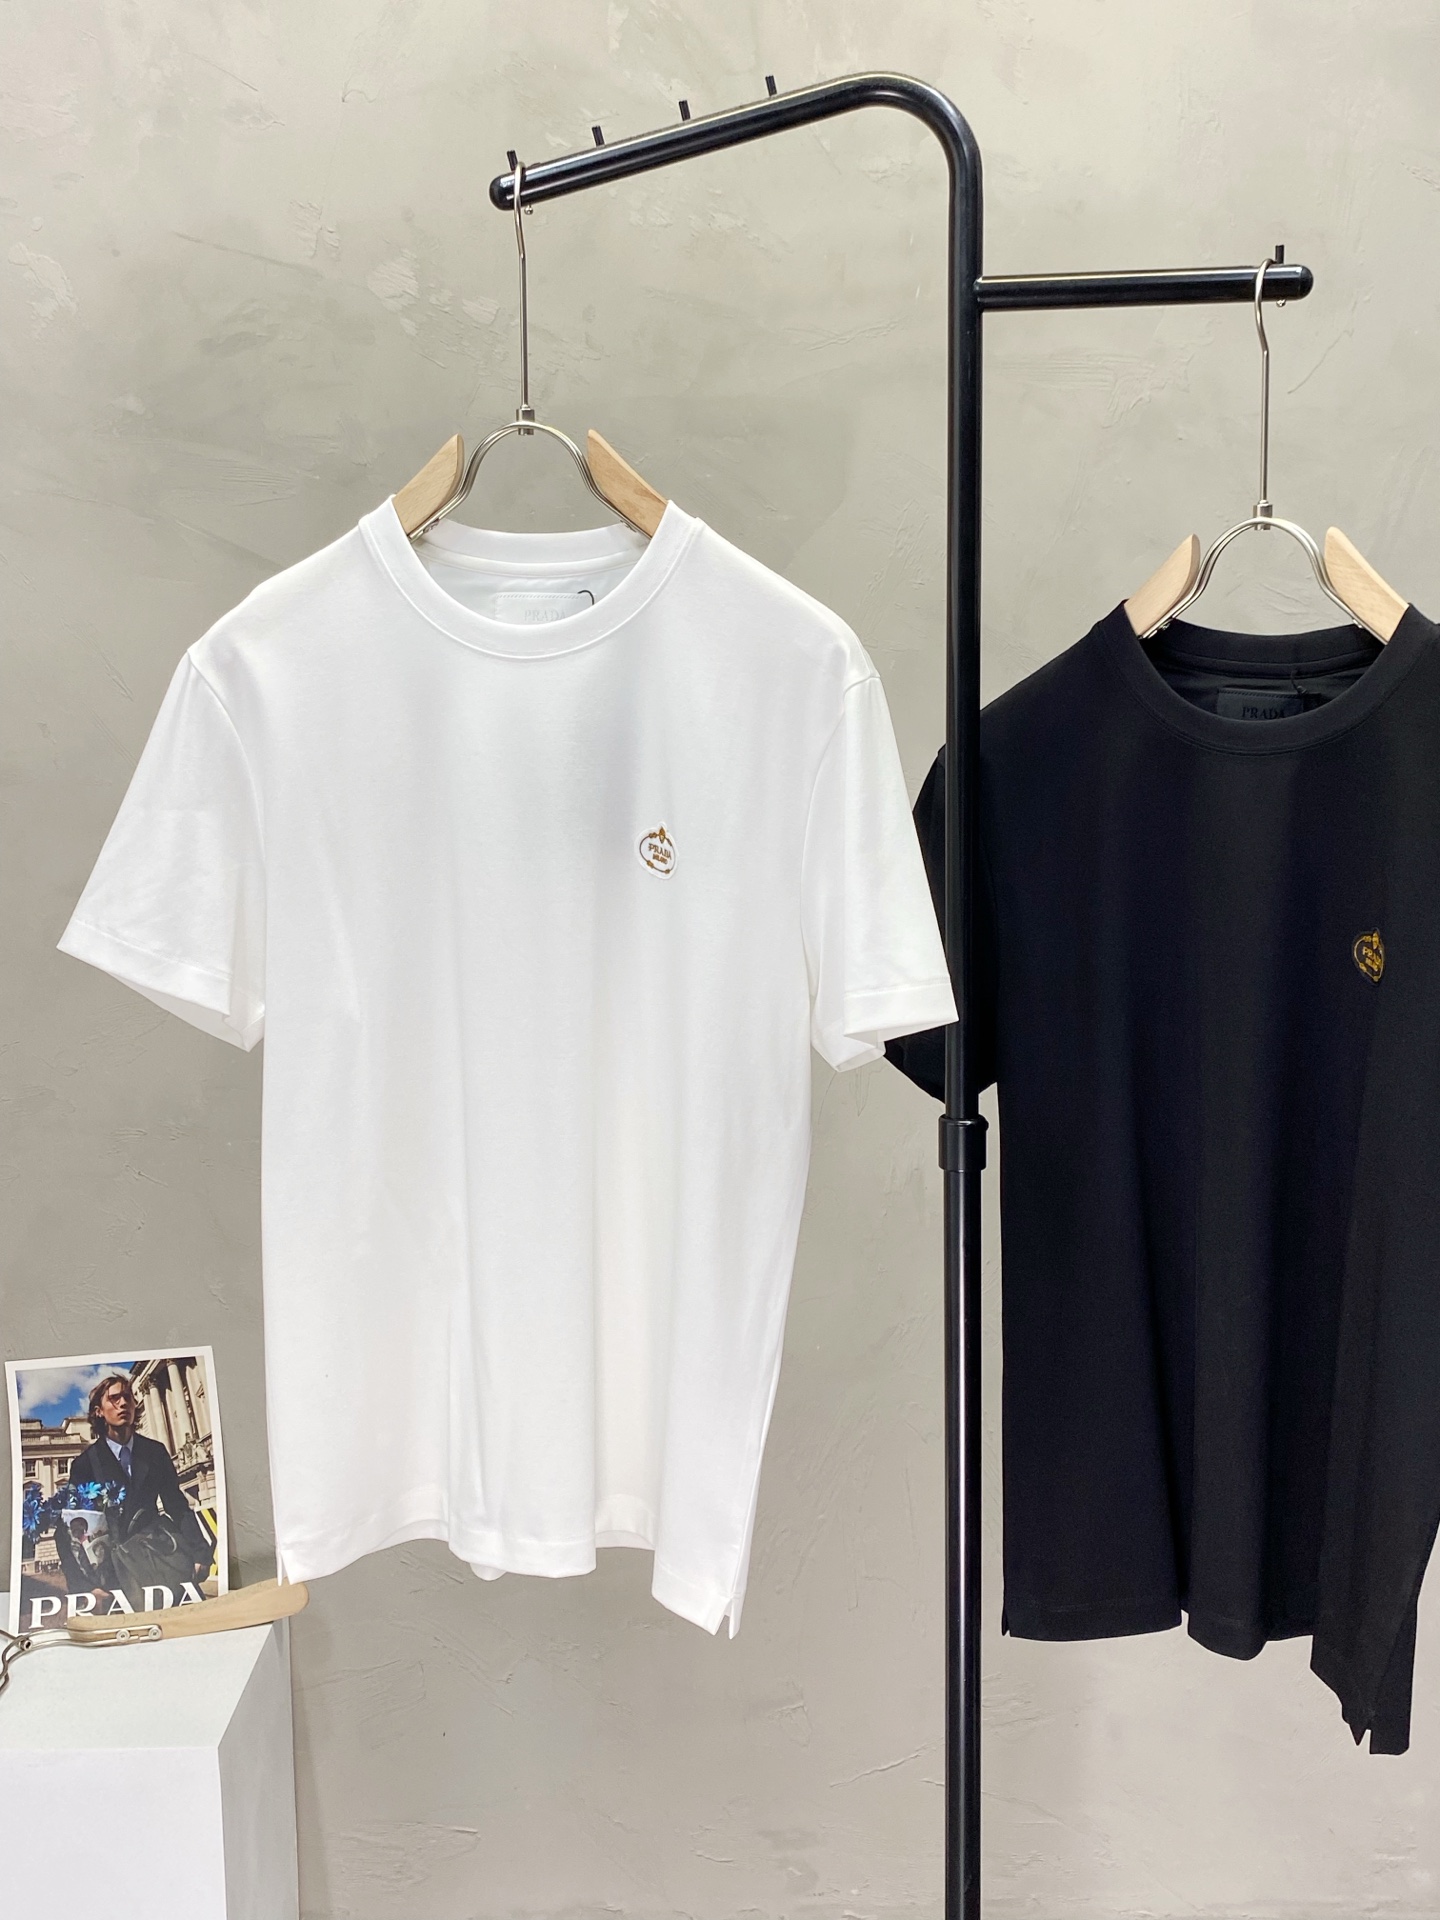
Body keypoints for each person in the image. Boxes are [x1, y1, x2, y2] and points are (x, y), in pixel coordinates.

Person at [65, 1374, 212, 1588]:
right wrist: (85, 1587)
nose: (123, 1403)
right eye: (114, 1398)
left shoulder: (155, 1452)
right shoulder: (85, 1464)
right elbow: (72, 1528)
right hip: (114, 1572)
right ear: (99, 1411)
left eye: (128, 1397)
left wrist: (201, 1552)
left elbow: (177, 1505)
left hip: (158, 1557)